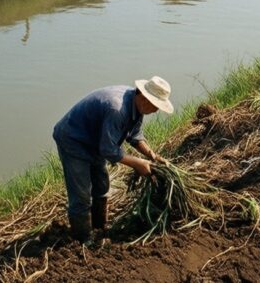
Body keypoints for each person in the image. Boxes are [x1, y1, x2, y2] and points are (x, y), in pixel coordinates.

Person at [52, 76, 174, 244]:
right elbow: (108, 150)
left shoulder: (137, 106)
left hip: (95, 141)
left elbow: (135, 136)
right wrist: (138, 164)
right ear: (146, 99)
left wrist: (153, 156)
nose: (156, 111)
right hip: (74, 140)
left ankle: (99, 229)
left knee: (101, 186)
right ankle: (83, 240)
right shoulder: (118, 109)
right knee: (81, 195)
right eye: (156, 106)